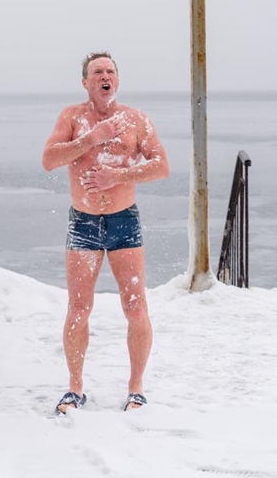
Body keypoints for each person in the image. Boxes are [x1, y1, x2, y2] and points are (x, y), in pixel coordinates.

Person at [41, 52, 170, 414]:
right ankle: (74, 388)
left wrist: (119, 176)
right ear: (85, 81)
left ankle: (136, 389)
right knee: (79, 308)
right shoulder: (72, 117)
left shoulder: (136, 120)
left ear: (117, 79)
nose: (104, 75)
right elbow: (49, 159)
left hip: (123, 221)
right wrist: (90, 139)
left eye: (110, 71)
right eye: (97, 71)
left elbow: (161, 167)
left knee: (134, 305)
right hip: (83, 223)